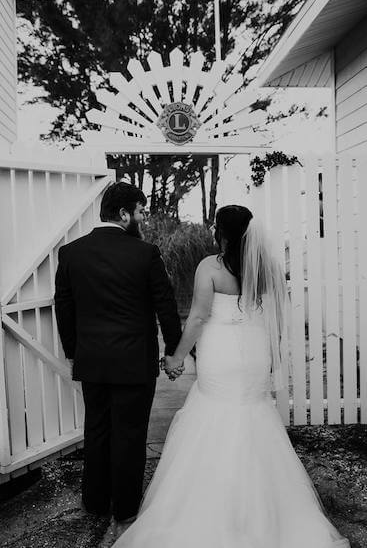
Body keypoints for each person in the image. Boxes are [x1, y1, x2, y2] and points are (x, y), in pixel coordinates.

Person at [113, 205, 350, 548]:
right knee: (254, 416)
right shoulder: (267, 268)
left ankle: (208, 506)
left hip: (220, 353)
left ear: (221, 232)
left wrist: (176, 357)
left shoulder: (210, 267)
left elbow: (197, 318)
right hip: (255, 352)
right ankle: (267, 511)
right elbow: (275, 318)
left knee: (214, 411)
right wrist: (271, 354)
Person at [54, 181, 183, 527]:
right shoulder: (145, 253)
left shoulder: (71, 253)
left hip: (92, 360)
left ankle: (95, 502)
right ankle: (125, 506)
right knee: (130, 433)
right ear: (124, 214)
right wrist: (174, 350)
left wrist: (73, 353)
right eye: (139, 211)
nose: (142, 218)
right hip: (134, 363)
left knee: (96, 430)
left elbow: (63, 308)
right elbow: (165, 305)